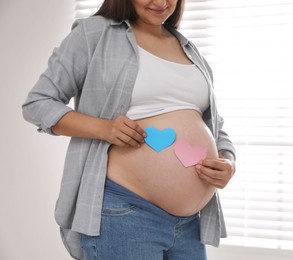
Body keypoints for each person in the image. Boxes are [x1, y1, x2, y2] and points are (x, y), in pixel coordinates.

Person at [22, 0, 236, 259]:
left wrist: (228, 161)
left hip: (190, 223)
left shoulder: (189, 49)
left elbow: (213, 124)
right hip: (125, 213)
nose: (161, 2)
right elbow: (38, 103)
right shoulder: (95, 34)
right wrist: (104, 128)